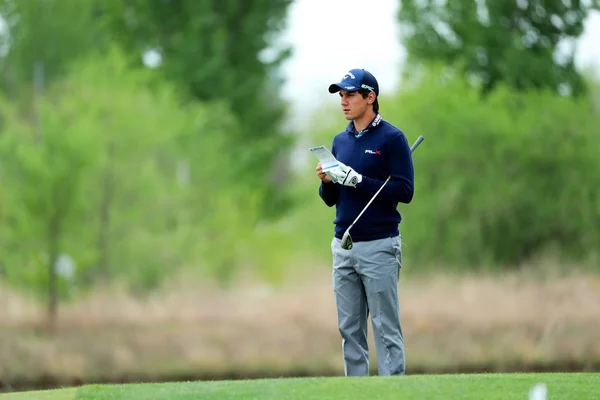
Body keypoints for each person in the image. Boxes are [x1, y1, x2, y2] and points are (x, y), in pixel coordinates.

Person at [316, 68, 414, 377]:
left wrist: (360, 180)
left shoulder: (392, 138)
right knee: (349, 331)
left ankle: (392, 393)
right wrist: (328, 181)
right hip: (343, 246)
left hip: (379, 246)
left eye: (350, 95)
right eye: (341, 95)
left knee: (385, 330)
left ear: (370, 97)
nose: (343, 101)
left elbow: (404, 190)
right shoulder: (340, 140)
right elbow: (331, 200)